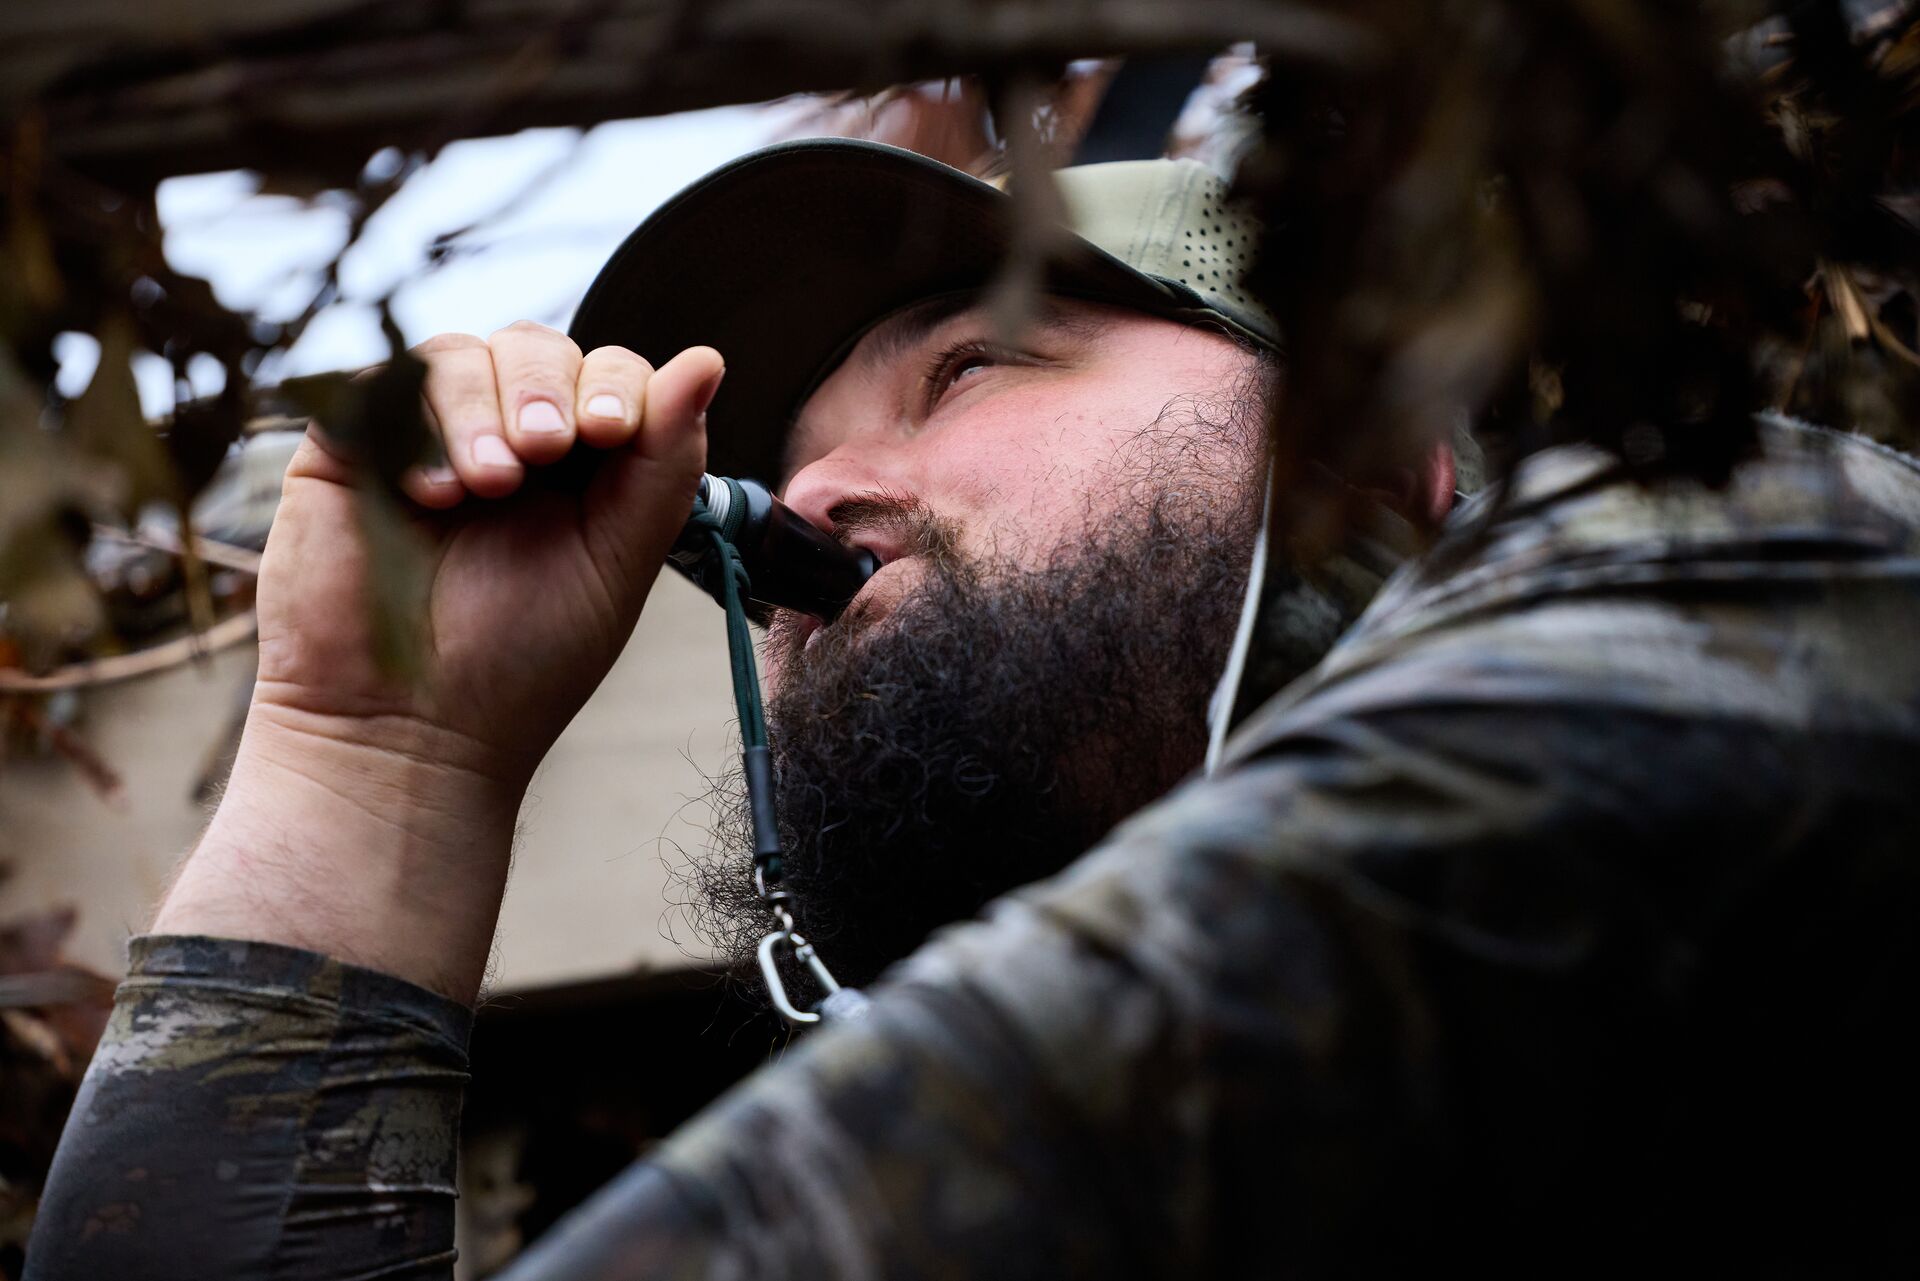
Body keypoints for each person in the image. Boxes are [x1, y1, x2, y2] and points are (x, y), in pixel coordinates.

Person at [25, 139, 1920, 1280]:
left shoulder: (1747, 563)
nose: (814, 495)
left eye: (967, 368)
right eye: (791, 459)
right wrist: (374, 773)